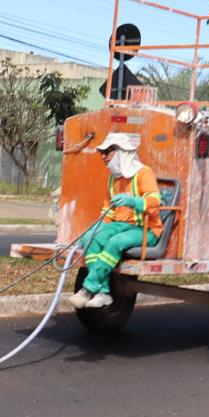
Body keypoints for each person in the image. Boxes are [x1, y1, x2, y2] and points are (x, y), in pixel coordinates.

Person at [69, 132, 163, 309]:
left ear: (122, 152)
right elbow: (107, 211)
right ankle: (103, 293)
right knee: (90, 238)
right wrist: (96, 228)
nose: (103, 157)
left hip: (145, 229)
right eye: (101, 153)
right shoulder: (113, 178)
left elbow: (155, 202)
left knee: (115, 242)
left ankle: (88, 289)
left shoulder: (144, 173)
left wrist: (132, 201)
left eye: (108, 152)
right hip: (120, 226)